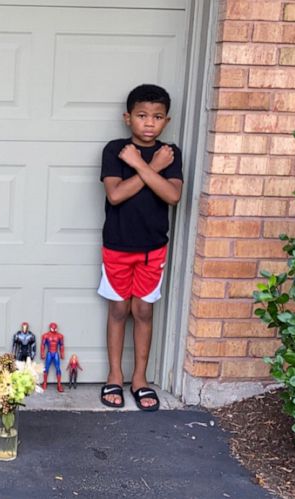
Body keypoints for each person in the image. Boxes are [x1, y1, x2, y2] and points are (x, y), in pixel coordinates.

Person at [97, 84, 183, 411]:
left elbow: (172, 196)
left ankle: (140, 378)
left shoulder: (169, 154)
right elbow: (115, 195)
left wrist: (151, 166)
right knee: (119, 309)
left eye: (157, 117)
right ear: (127, 118)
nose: (149, 123)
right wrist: (148, 167)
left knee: (143, 311)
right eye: (142, 116)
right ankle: (115, 374)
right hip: (118, 247)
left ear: (167, 120)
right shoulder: (116, 151)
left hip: (152, 249)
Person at [40, 322, 65, 392]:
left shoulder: (60, 336)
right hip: (49, 353)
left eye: (55, 328)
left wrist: (62, 353)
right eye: (52, 328)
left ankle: (59, 385)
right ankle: (44, 383)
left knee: (58, 368)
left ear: (56, 328)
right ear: (50, 327)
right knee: (46, 368)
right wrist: (42, 353)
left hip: (56, 353)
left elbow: (62, 345)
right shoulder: (46, 335)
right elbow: (43, 345)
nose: (53, 329)